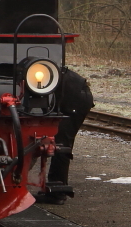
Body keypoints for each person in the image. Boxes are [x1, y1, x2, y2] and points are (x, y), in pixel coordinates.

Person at [37, 67, 95, 204]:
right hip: (72, 93)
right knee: (60, 141)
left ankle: (58, 193)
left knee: (61, 143)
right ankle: (55, 187)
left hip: (75, 98)